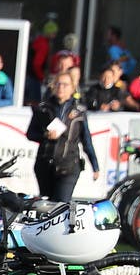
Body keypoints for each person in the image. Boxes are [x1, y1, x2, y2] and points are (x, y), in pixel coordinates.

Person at [26, 66, 97, 203]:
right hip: (45, 164)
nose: (61, 88)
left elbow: (86, 140)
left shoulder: (79, 112)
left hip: (69, 165)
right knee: (47, 206)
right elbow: (30, 134)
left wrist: (95, 166)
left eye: (65, 85)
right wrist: (45, 135)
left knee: (61, 205)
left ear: (72, 88)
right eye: (58, 84)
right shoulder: (43, 108)